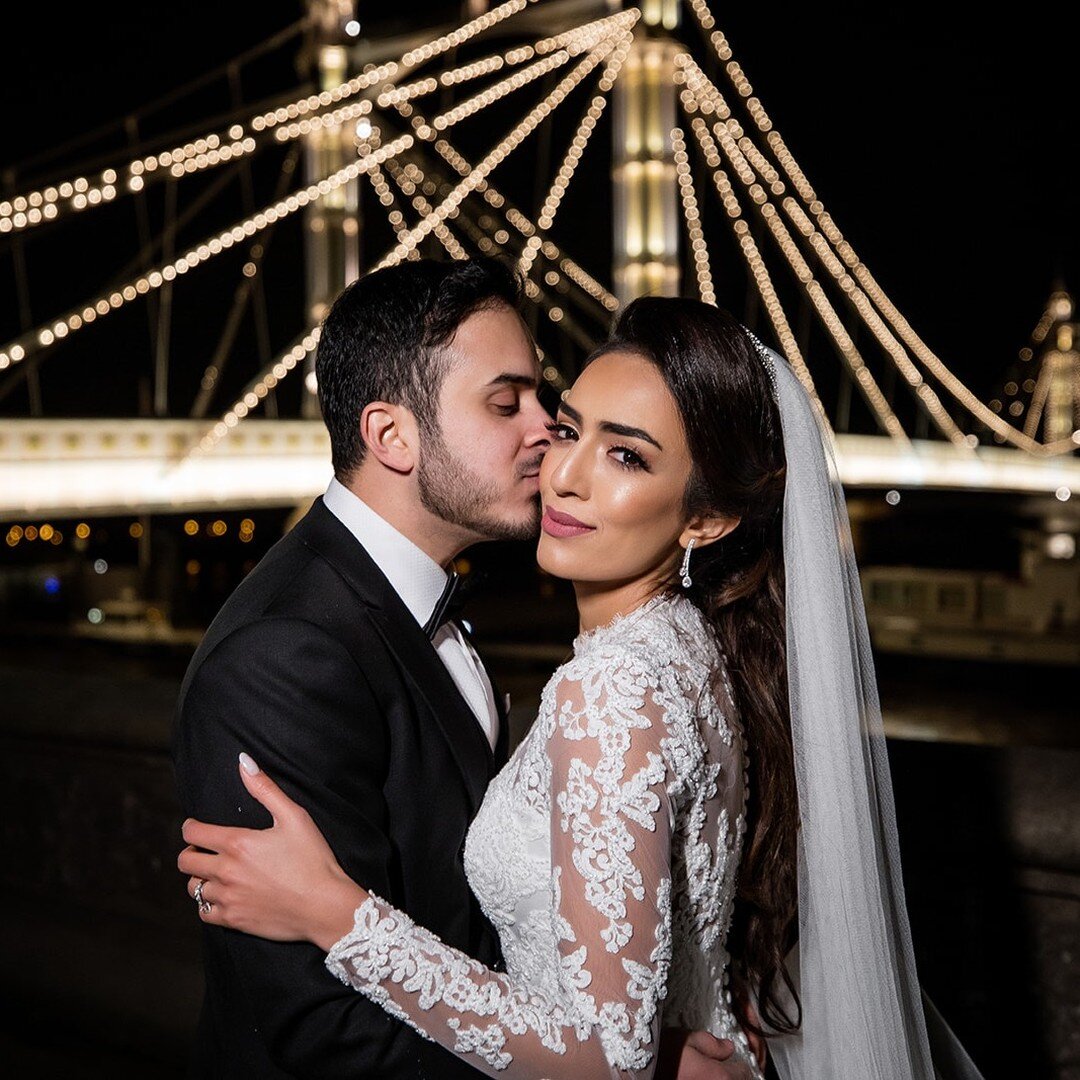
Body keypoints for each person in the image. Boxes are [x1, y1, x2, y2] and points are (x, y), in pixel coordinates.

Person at [173, 262, 757, 1080]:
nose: (548, 436)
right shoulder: (283, 655)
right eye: (506, 402)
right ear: (391, 436)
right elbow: (323, 1037)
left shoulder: (593, 657)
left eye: (545, 400)